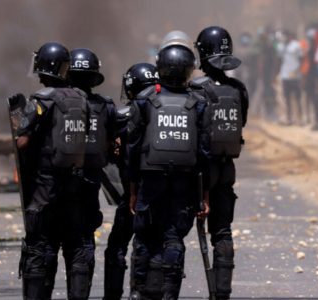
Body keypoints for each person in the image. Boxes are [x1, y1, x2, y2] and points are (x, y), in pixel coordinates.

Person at [128, 41, 209, 299]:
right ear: (189, 70)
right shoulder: (198, 102)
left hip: (149, 182)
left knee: (143, 238)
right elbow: (204, 154)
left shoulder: (144, 100)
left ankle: (138, 291)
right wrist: (203, 195)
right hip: (184, 184)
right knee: (174, 238)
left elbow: (132, 148)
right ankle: (169, 293)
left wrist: (132, 189)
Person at [14, 42, 90, 300]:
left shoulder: (41, 100)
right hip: (74, 187)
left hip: (45, 189)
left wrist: (17, 119)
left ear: (43, 68)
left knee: (39, 249)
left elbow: (22, 142)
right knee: (75, 249)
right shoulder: (81, 99)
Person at [190, 26, 249, 300]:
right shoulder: (239, 89)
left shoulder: (194, 90)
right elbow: (241, 123)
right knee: (222, 232)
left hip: (196, 172)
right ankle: (222, 293)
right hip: (226, 168)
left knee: (171, 233)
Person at [103, 62, 159, 300]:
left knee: (117, 246)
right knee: (155, 244)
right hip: (163, 192)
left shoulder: (123, 115)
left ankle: (114, 295)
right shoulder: (168, 108)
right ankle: (143, 291)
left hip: (133, 193)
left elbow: (109, 151)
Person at [67, 47, 114, 298]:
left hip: (56, 184)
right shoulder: (104, 107)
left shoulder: (51, 103)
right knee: (84, 240)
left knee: (50, 242)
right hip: (89, 182)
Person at [277, 30, 303, 125]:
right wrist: (278, 72)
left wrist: (297, 71)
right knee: (286, 98)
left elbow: (301, 59)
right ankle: (289, 118)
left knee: (297, 98)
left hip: (295, 75)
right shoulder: (281, 47)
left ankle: (299, 118)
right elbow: (279, 60)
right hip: (285, 75)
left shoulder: (296, 45)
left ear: (289, 36)